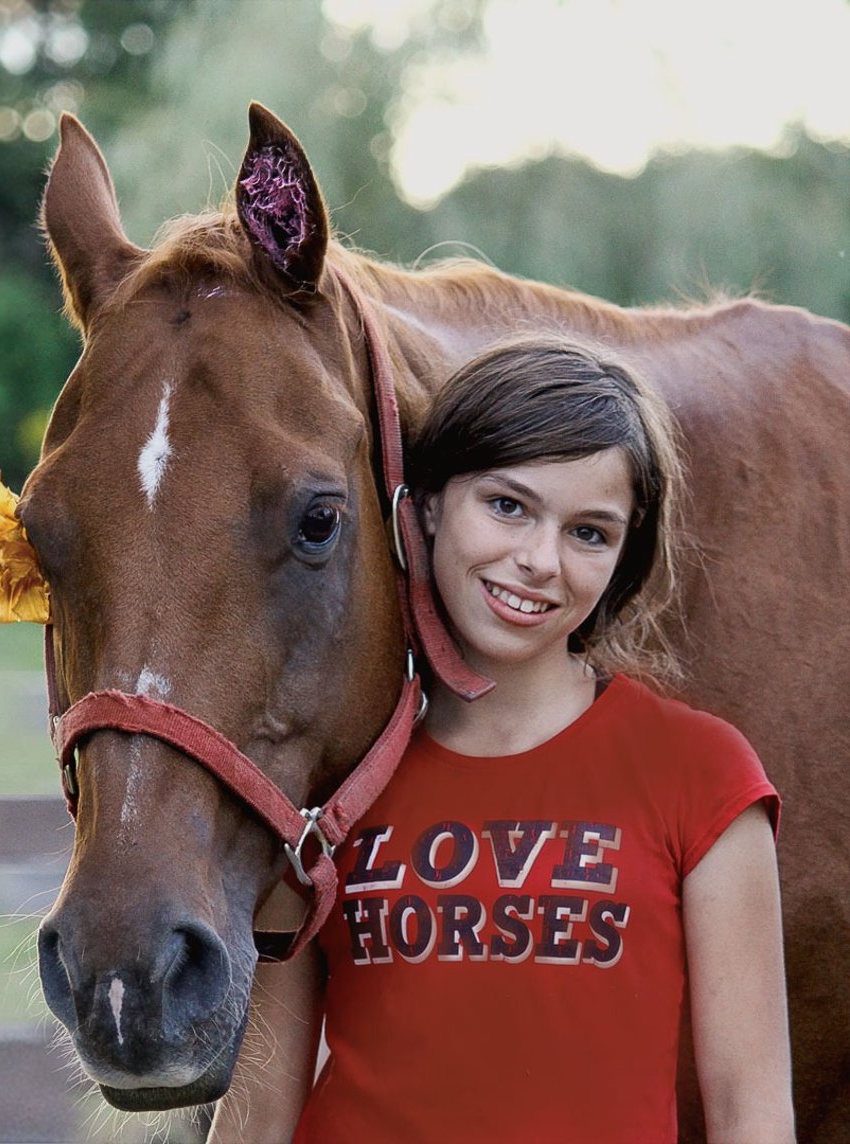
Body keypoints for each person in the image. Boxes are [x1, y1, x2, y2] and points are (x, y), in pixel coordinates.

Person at [208, 337, 793, 1143]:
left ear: (624, 557)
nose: (538, 562)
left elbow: (751, 1116)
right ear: (429, 505)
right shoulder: (329, 778)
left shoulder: (705, 776)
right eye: (508, 506)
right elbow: (255, 1118)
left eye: (589, 532)